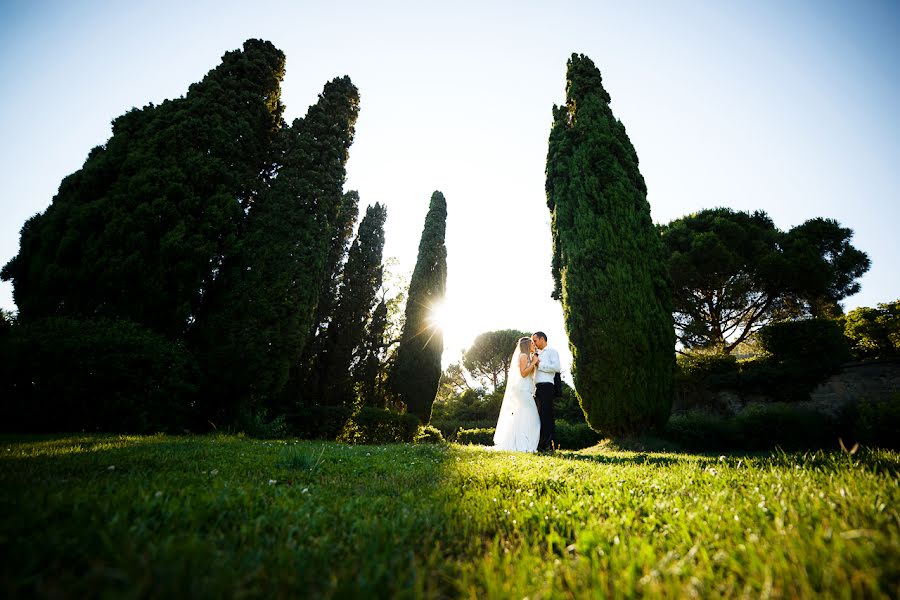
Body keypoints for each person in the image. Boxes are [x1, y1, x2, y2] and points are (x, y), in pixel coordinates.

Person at [493, 337, 541, 452]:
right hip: (522, 390)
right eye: (532, 343)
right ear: (527, 345)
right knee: (533, 417)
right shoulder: (523, 356)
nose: (534, 345)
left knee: (523, 414)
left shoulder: (528, 357)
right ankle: (523, 443)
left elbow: (531, 373)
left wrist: (535, 361)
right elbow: (523, 373)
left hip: (526, 389)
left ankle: (519, 441)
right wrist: (534, 362)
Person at [531, 331, 560, 451]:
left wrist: (539, 364)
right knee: (539, 416)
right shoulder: (536, 354)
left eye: (535, 340)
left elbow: (557, 368)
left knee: (547, 415)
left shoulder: (552, 352)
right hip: (537, 388)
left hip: (547, 387)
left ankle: (548, 444)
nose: (534, 343)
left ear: (542, 339)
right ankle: (540, 443)